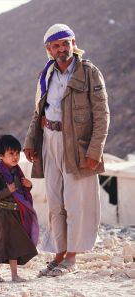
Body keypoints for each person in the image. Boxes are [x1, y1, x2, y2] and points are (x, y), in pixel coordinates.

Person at [24, 24, 110, 277]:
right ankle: (59, 252)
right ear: (48, 49)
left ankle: (72, 256)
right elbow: (38, 111)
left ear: (74, 43)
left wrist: (95, 149)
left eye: (66, 43)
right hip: (49, 140)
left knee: (76, 201)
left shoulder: (89, 73)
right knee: (55, 200)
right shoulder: (46, 74)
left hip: (78, 146)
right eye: (56, 45)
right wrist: (31, 141)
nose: (62, 49)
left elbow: (102, 115)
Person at [0, 134, 39, 282]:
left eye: (17, 153)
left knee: (15, 243)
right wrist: (6, 191)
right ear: (1, 156)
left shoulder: (17, 172)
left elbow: (21, 193)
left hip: (16, 213)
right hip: (2, 213)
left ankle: (14, 275)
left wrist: (29, 186)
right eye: (11, 153)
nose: (15, 157)